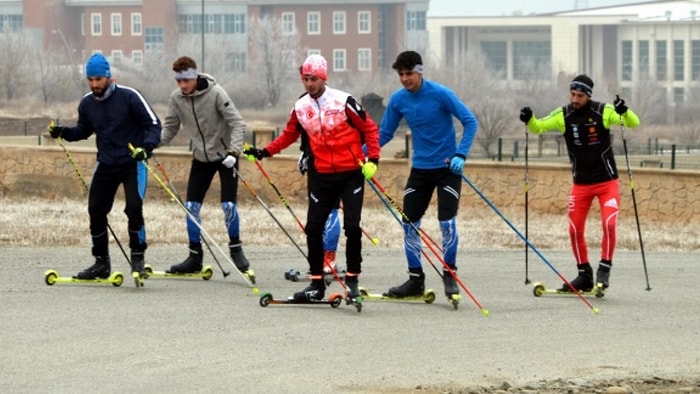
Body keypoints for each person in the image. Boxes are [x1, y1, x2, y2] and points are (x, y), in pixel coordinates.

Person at [244, 54, 380, 301]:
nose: (309, 84)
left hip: (350, 173)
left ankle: (352, 279)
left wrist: (373, 159)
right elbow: (288, 135)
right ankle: (316, 284)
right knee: (313, 228)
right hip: (321, 175)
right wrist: (264, 151)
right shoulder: (301, 106)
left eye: (313, 79)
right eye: (305, 79)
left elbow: (369, 128)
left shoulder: (343, 101)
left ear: (323, 78)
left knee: (352, 226)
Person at [519, 74, 640, 291]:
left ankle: (604, 267)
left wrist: (625, 110)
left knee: (609, 224)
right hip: (581, 184)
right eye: (573, 94)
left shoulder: (602, 112)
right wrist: (529, 118)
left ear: (588, 96)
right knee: (574, 230)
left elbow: (633, 123)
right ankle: (584, 274)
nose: (575, 99)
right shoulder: (563, 115)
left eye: (580, 95)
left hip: (607, 183)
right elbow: (538, 127)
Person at [47, 53, 161, 280]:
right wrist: (64, 132)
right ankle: (101, 263)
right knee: (96, 210)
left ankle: (137, 257)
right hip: (106, 163)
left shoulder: (130, 97)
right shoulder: (87, 103)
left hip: (133, 162)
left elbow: (154, 125)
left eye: (98, 79)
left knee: (133, 208)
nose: (94, 84)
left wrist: (145, 148)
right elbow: (84, 130)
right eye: (90, 79)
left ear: (109, 77)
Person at [378, 50, 478, 299]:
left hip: (447, 168)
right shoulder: (398, 99)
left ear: (420, 71)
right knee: (409, 223)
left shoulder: (440, 94)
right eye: (400, 74)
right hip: (420, 170)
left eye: (409, 73)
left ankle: (449, 273)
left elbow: (470, 121)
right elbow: (385, 133)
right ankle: (415, 280)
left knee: (446, 223)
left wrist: (461, 155)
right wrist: (365, 153)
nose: (404, 79)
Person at [159, 56, 253, 278]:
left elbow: (237, 123)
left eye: (186, 80)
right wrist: (151, 143)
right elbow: (170, 128)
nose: (182, 86)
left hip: (225, 156)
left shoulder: (216, 93)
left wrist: (234, 151)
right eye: (178, 81)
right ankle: (194, 256)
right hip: (201, 157)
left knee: (228, 206)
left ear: (195, 76)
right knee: (191, 207)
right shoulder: (176, 98)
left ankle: (236, 249)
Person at [298, 144, 341, 275]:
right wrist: (305, 152)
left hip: (336, 157)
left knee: (330, 209)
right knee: (318, 209)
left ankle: (329, 257)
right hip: (316, 156)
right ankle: (321, 257)